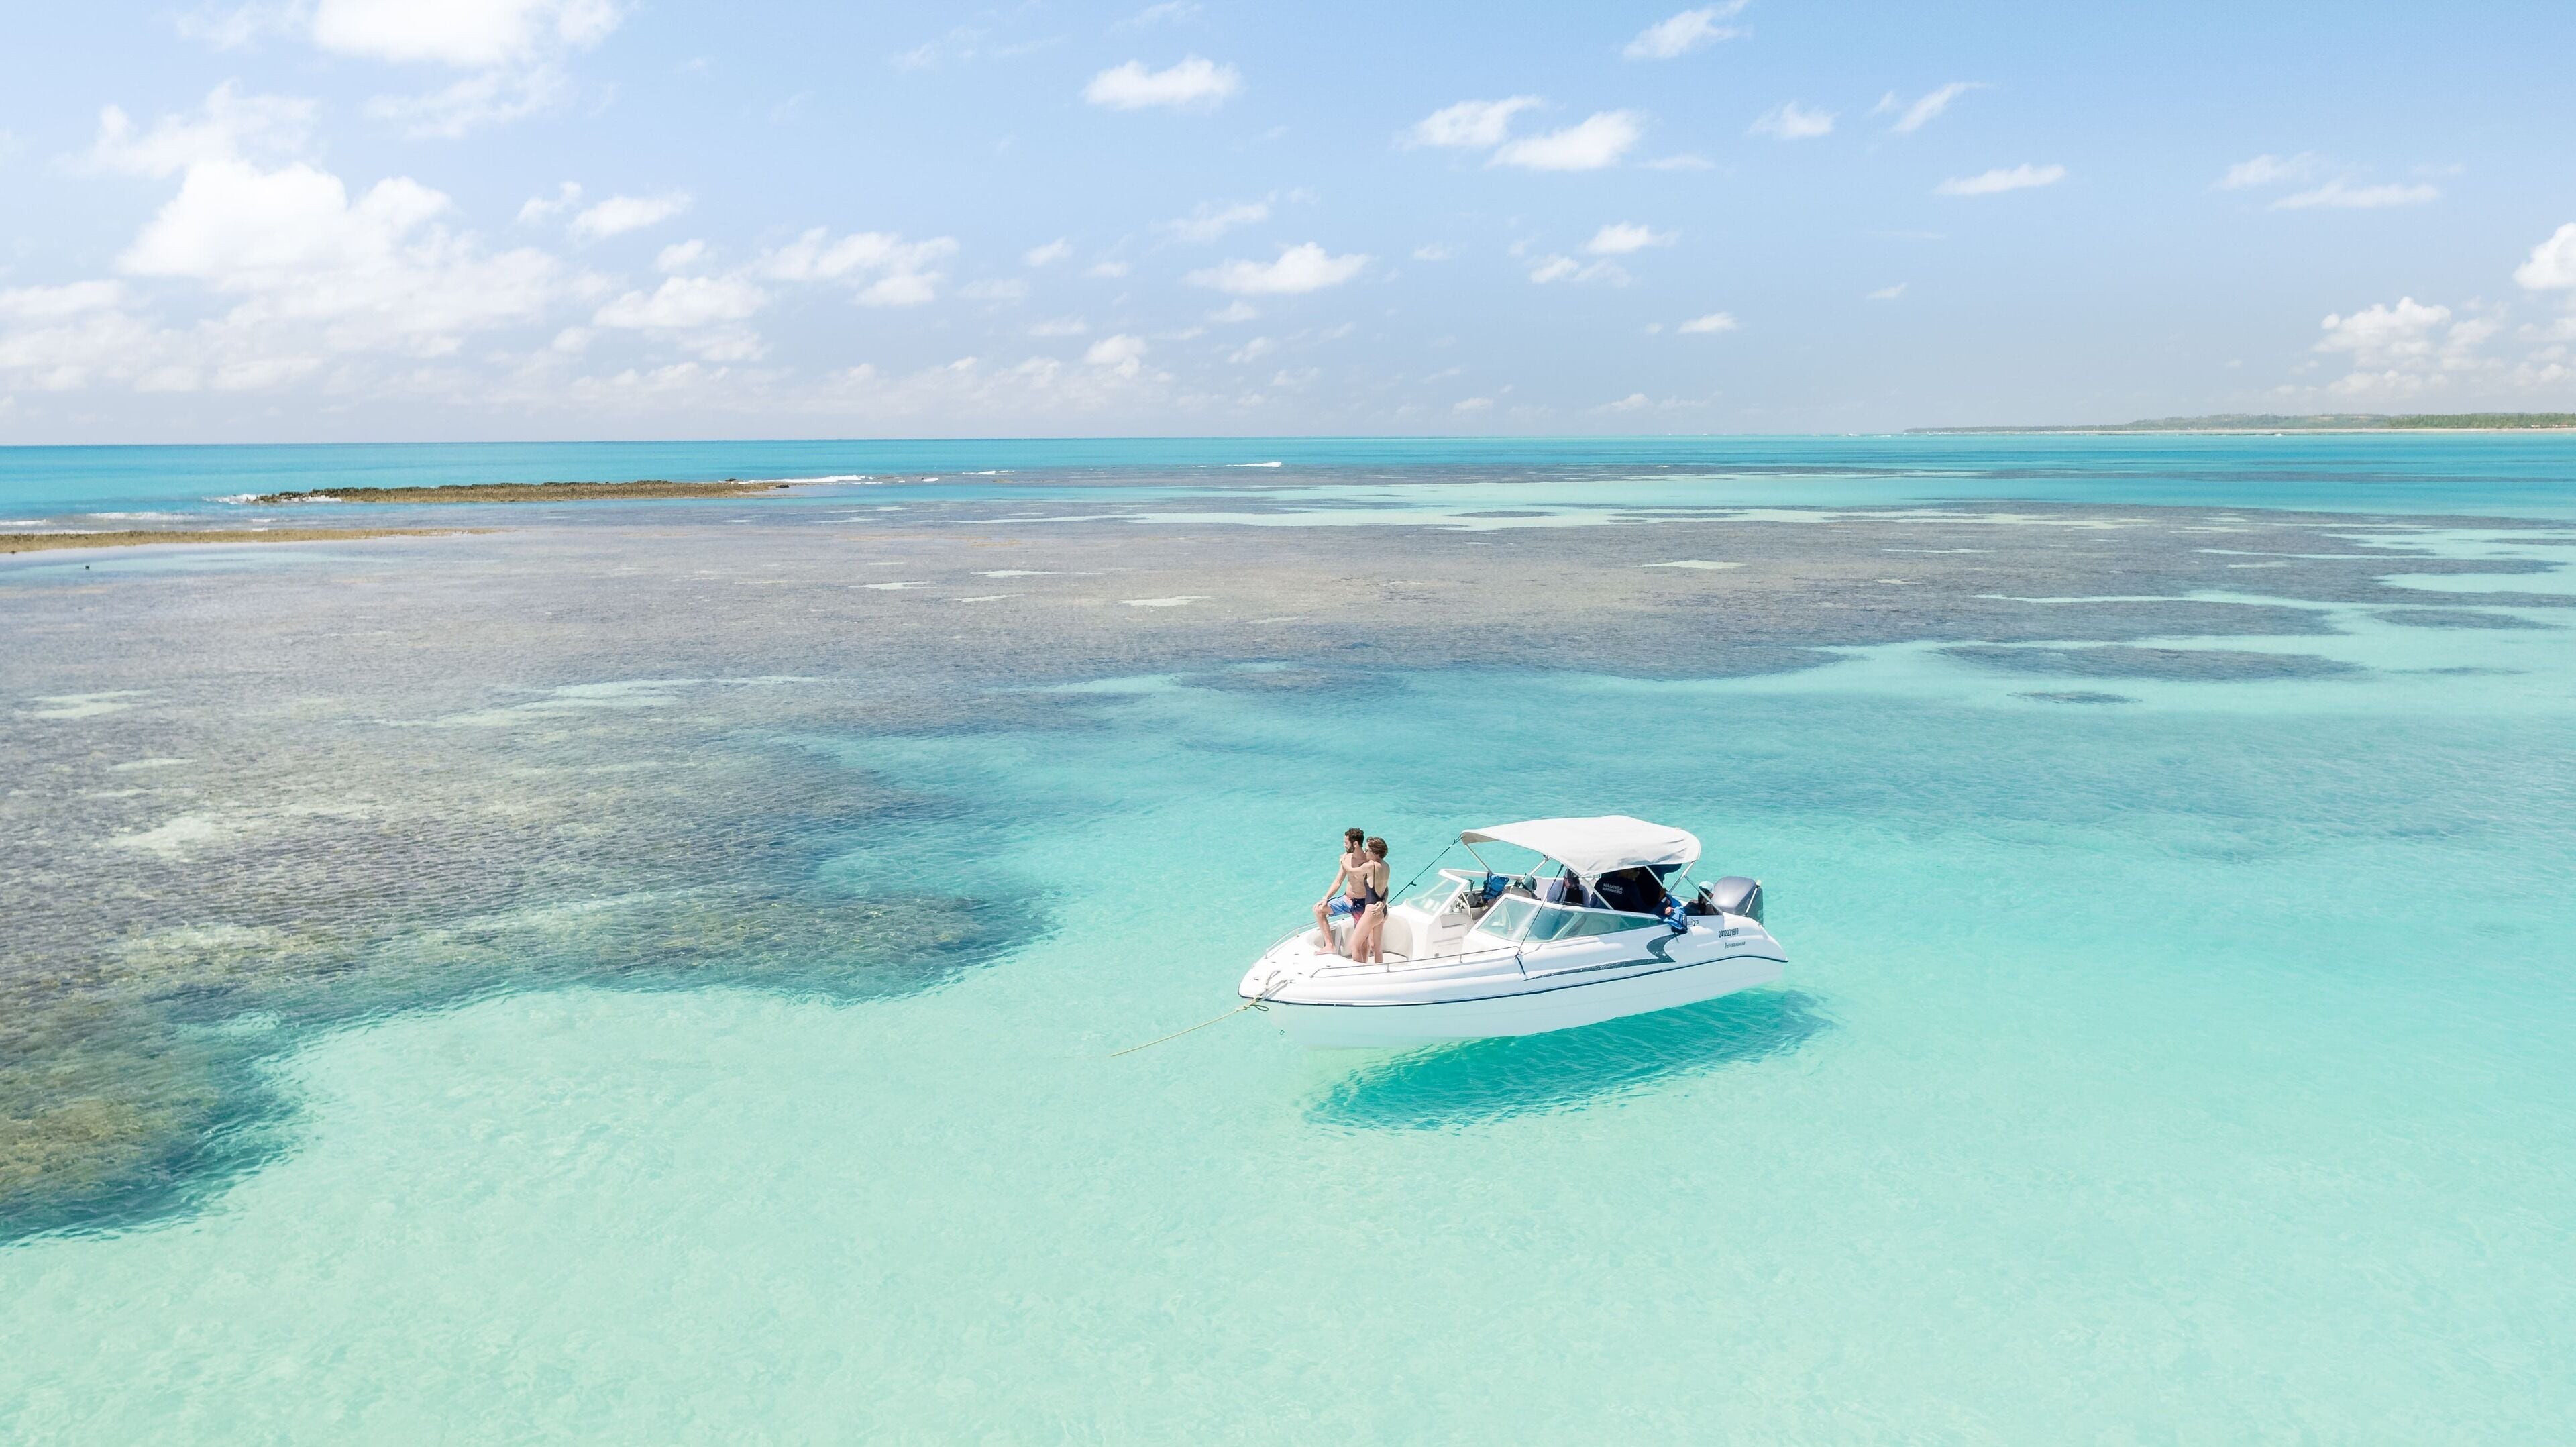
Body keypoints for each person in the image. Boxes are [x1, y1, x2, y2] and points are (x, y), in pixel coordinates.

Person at [1313, 826, 1368, 953]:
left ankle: (1363, 965)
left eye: (1346, 843)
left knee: (1362, 940)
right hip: (1345, 900)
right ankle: (1329, 946)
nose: (1344, 845)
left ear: (1355, 843)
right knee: (1319, 910)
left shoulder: (1368, 861)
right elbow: (1338, 881)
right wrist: (1325, 898)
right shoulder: (1347, 858)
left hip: (1361, 904)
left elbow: (1378, 885)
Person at [1350, 837, 1392, 965]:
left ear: (1375, 853)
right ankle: (1380, 973)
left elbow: (1350, 871)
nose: (1365, 852)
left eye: (1367, 850)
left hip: (1372, 911)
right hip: (1383, 911)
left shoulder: (1371, 866)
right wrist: (1384, 903)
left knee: (1354, 945)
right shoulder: (1386, 866)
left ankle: (1361, 975)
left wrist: (1343, 861)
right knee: (1377, 947)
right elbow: (1386, 888)